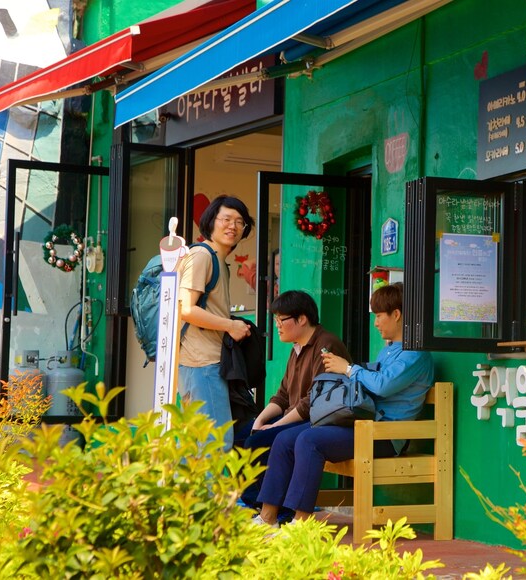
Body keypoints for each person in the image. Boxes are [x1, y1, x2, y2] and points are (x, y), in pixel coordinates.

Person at [252, 283, 434, 527]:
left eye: (379, 316)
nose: (376, 323)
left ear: (397, 315)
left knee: (309, 441)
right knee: (284, 439)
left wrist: (348, 369)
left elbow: (382, 385)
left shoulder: (415, 355)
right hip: (363, 426)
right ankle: (268, 517)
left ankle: (301, 524)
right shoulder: (390, 351)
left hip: (385, 436)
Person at [238, 290, 351, 506]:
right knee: (244, 434)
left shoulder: (326, 345)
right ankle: (259, 505)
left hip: (317, 421)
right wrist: (260, 421)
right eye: (276, 320)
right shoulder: (296, 348)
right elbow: (281, 396)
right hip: (296, 418)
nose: (277, 325)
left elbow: (313, 402)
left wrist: (275, 426)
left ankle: (272, 510)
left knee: (260, 441)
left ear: (302, 319)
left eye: (282, 319)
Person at [177, 195, 255, 450]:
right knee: (214, 442)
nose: (233, 226)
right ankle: (209, 492)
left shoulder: (220, 261)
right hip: (201, 362)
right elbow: (186, 310)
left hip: (208, 362)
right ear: (211, 221)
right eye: (226, 219)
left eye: (240, 222)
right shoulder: (202, 255)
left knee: (199, 443)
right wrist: (230, 326)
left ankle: (191, 491)